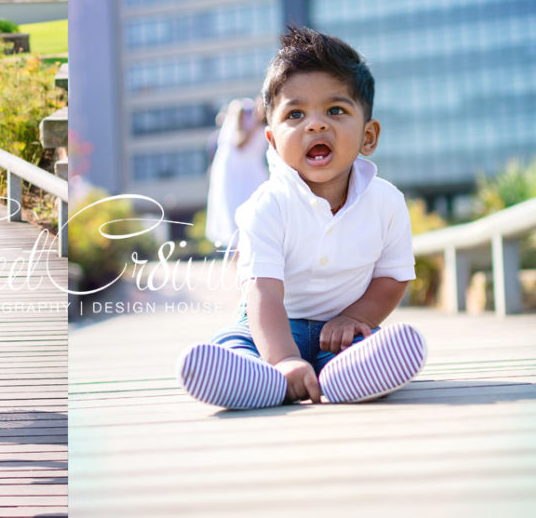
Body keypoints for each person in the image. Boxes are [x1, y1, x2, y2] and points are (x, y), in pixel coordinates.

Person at [178, 26, 426, 409]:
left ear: (368, 136)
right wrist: (284, 358)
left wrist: (354, 316)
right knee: (234, 343)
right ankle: (264, 380)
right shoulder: (266, 205)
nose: (315, 124)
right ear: (273, 141)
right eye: (295, 114)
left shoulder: (386, 202)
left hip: (338, 333)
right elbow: (263, 291)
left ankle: (346, 377)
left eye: (336, 110)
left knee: (364, 344)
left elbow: (393, 277)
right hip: (271, 326)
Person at [204, 96, 268, 250]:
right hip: (235, 173)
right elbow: (240, 143)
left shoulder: (267, 121)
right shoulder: (241, 109)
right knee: (235, 211)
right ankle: (237, 254)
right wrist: (256, 122)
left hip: (254, 171)